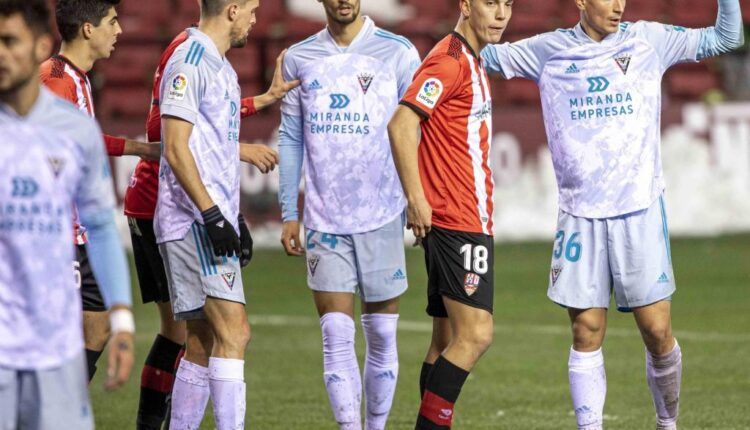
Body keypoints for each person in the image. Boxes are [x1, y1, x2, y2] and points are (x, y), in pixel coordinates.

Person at [480, 0, 743, 428]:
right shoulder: (548, 50)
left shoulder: (649, 41)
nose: (618, 6)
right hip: (580, 214)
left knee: (657, 333)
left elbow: (727, 38)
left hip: (638, 209)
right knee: (585, 330)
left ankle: (666, 422)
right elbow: (479, 54)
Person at [129, 24, 296, 430]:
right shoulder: (187, 57)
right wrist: (213, 213)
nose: (256, 20)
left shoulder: (217, 64)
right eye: (252, 10)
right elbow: (168, 135)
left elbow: (210, 122)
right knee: (232, 332)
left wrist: (229, 211)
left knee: (199, 340)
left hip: (190, 211)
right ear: (234, 10)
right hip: (185, 214)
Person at [279, 0, 421, 428]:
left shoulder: (398, 52)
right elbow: (290, 138)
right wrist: (290, 210)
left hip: (382, 213)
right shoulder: (297, 58)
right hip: (324, 221)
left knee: (380, 335)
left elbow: (416, 130)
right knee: (336, 337)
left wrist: (417, 198)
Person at [0, 0, 135, 428]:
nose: (1, 53)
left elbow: (101, 224)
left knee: (93, 330)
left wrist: (125, 318)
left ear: (39, 44)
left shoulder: (70, 123)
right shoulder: (56, 80)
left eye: (9, 42)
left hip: (53, 345)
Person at [387, 1, 514, 428]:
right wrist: (416, 198)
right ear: (465, 5)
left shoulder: (471, 60)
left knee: (444, 340)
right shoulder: (449, 61)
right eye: (490, 3)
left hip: (463, 218)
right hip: (456, 220)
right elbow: (402, 123)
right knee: (476, 334)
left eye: (508, 4)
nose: (500, 14)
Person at [38, 0, 159, 384]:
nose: (119, 30)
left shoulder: (77, 77)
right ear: (88, 29)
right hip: (57, 236)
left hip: (79, 232)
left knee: (98, 323)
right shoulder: (55, 78)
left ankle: (62, 405)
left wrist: (139, 148)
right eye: (112, 21)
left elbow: (84, 138)